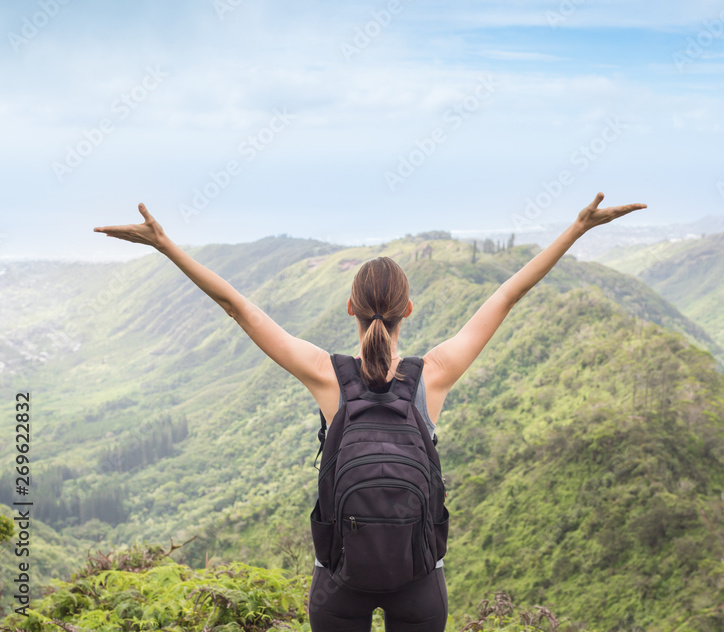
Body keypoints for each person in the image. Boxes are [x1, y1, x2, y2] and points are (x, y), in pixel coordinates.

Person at [93, 192, 646, 632]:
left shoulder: (325, 375)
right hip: (419, 581)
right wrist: (576, 229)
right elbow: (506, 295)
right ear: (408, 310)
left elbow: (238, 306)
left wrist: (166, 245)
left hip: (340, 581)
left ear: (351, 309)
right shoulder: (435, 373)